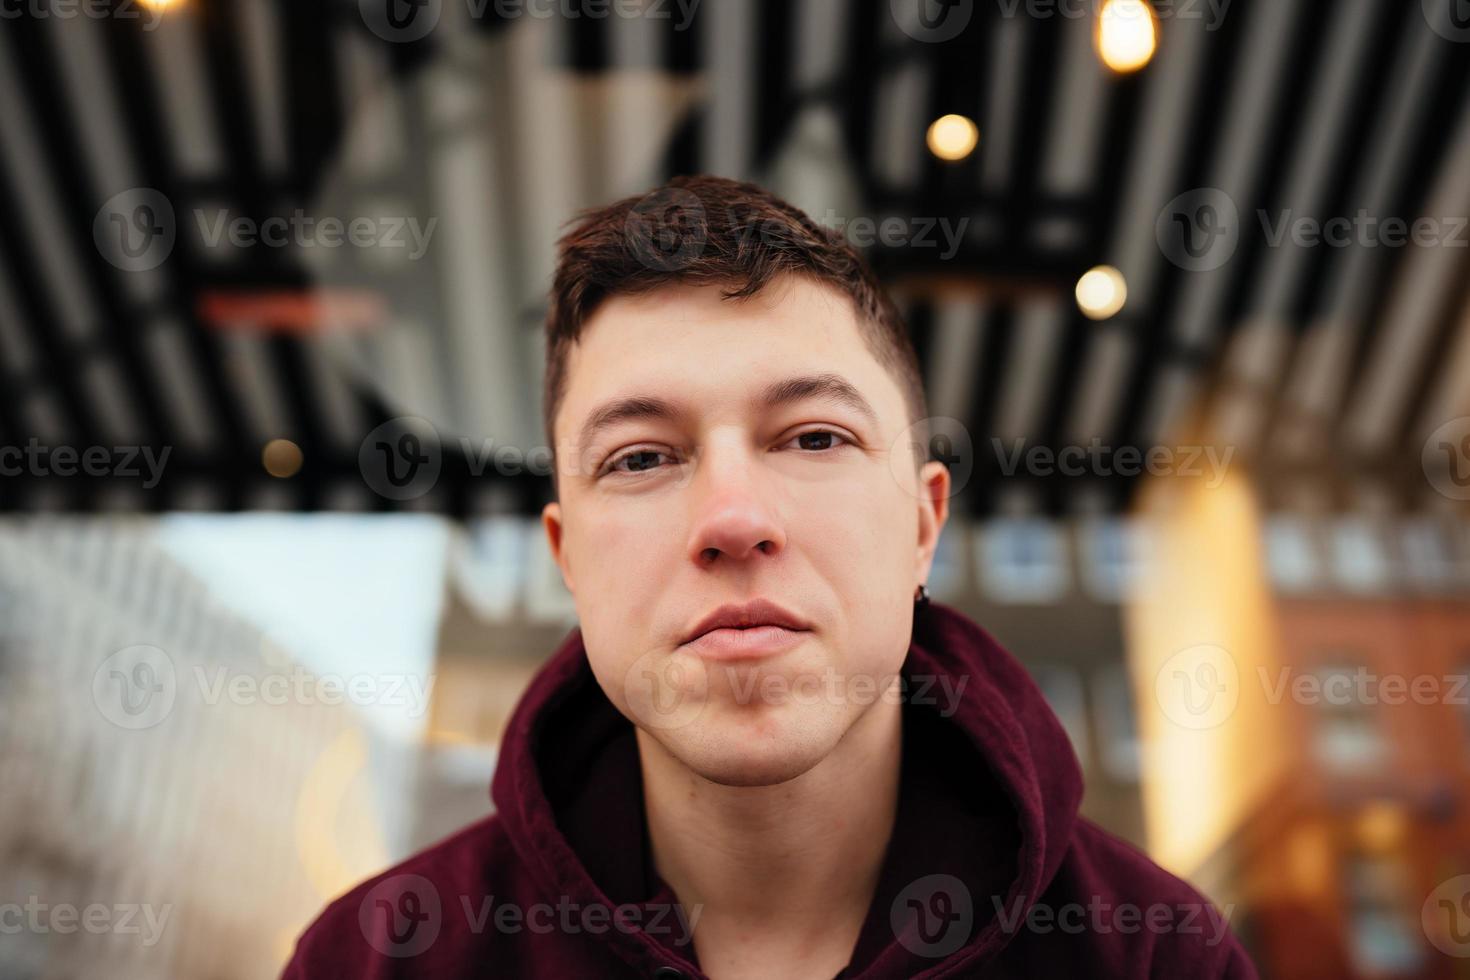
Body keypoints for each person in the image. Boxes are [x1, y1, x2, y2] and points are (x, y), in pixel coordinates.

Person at [282, 175, 1258, 979]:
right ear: (567, 555)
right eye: (639, 457)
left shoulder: (1152, 955)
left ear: (922, 526)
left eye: (815, 436)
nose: (733, 517)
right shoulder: (376, 959)